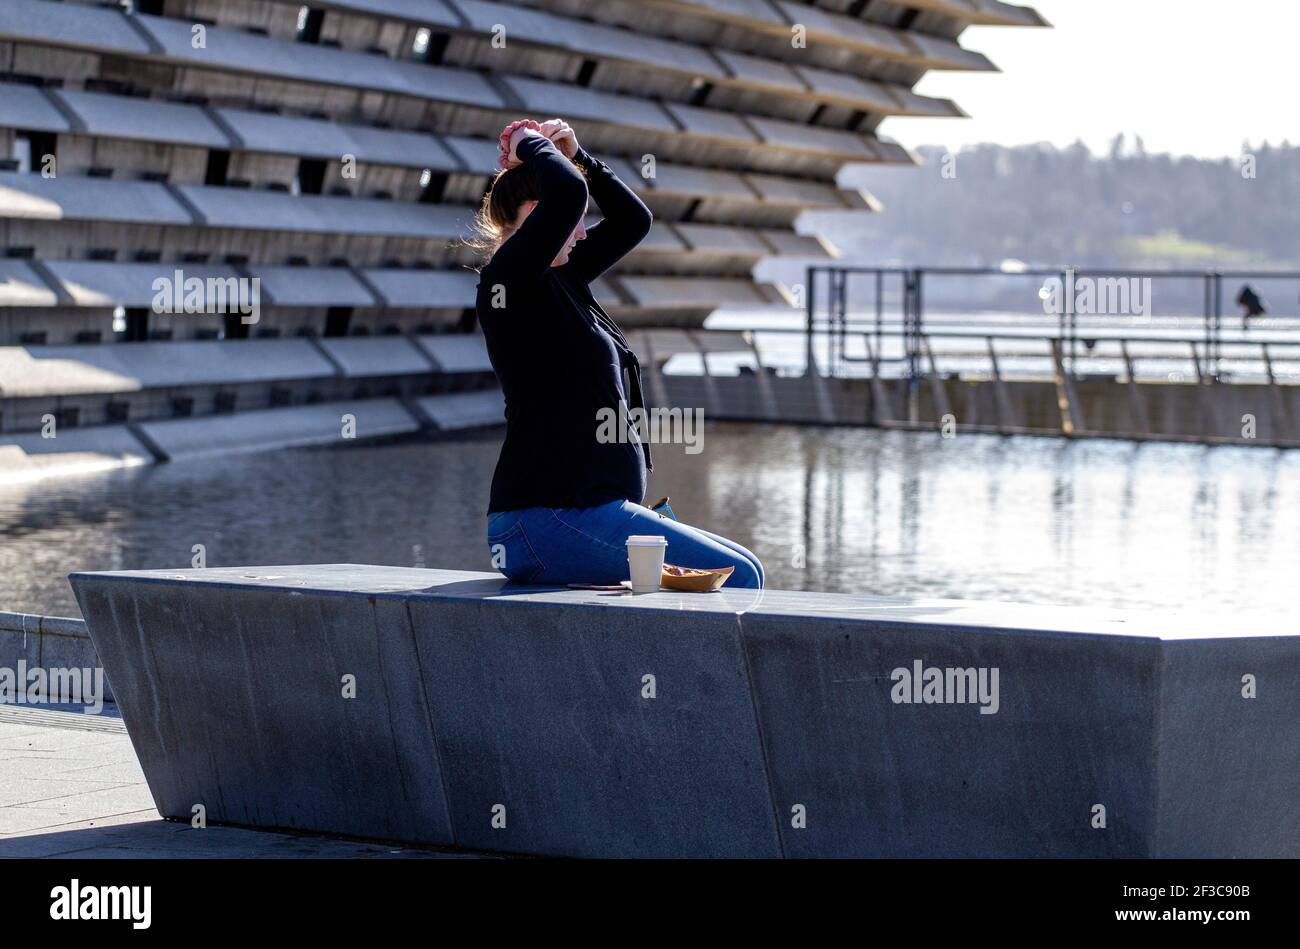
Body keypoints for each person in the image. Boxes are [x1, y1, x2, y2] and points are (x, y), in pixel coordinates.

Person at [472, 118, 764, 589]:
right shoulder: (507, 284)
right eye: (575, 223)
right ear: (532, 212)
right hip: (542, 519)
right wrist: (525, 140)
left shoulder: (562, 280)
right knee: (741, 579)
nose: (583, 233)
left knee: (748, 565)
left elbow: (633, 221)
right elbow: (567, 194)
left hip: (584, 513)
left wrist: (580, 156)